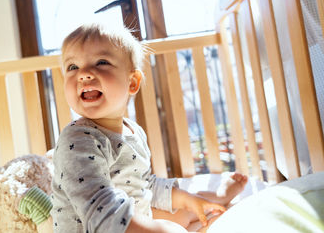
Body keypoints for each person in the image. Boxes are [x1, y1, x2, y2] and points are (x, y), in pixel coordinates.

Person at [51, 22, 248, 233]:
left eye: (101, 62)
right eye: (73, 67)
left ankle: (213, 197)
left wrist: (186, 200)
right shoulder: (78, 140)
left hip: (133, 214)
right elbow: (101, 210)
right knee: (171, 226)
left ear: (132, 83)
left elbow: (144, 184)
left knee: (186, 209)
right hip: (103, 227)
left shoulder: (133, 131)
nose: (84, 74)